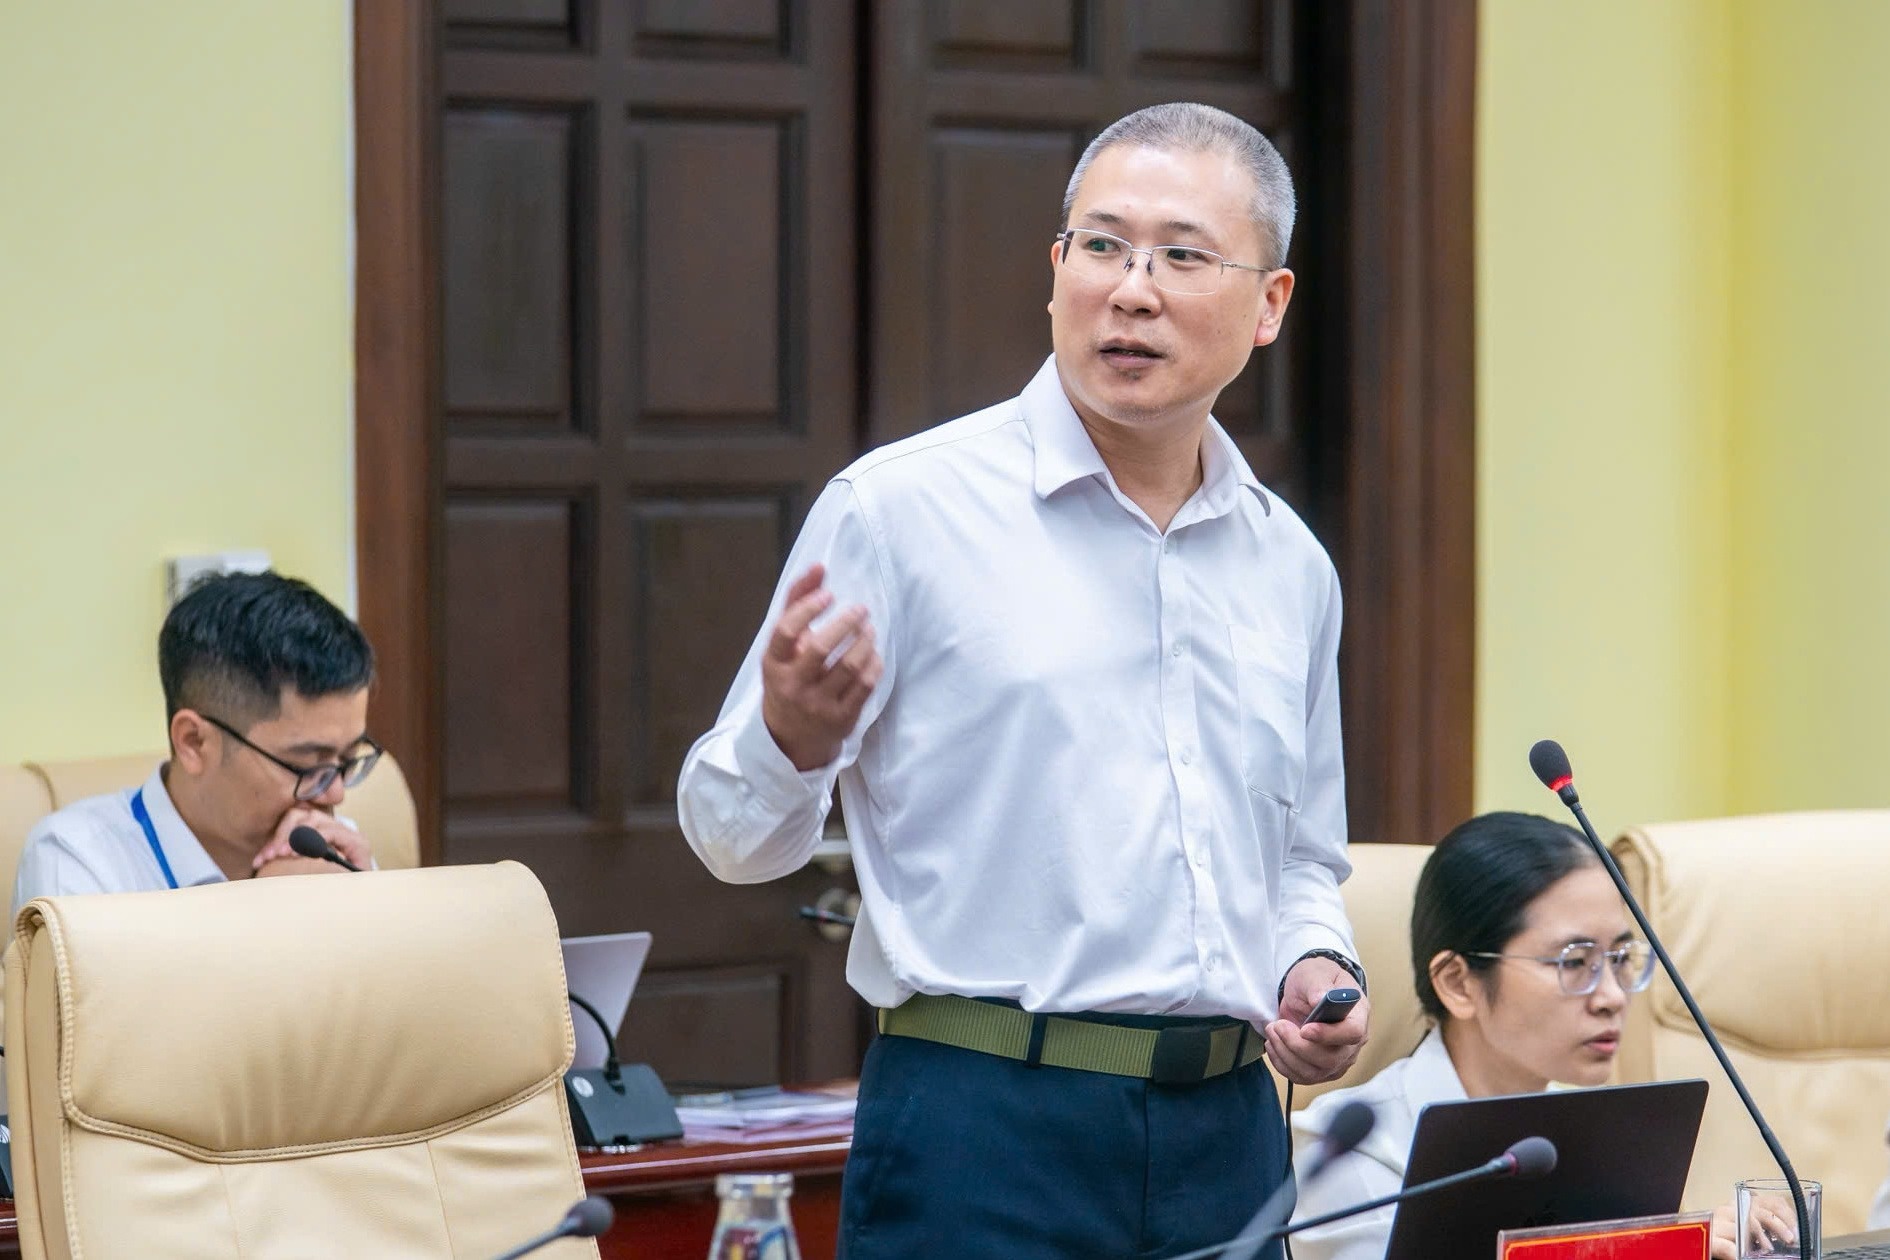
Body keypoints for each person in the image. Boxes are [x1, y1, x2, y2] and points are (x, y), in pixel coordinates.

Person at [678, 102, 1367, 1259]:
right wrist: (791, 740)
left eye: (1182, 255)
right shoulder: (901, 513)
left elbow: (1302, 855)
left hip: (1229, 1136)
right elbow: (731, 841)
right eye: (1101, 246)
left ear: (1269, 305)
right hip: (981, 1129)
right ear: (1056, 273)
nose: (1132, 289)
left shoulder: (1286, 562)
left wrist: (1315, 959)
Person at [1287, 812, 1755, 1260]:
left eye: (1620, 958)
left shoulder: (1602, 1135)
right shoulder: (1350, 1155)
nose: (1612, 997)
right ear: (1457, 982)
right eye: (1574, 962)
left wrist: (1690, 1241)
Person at [12, 571, 381, 914]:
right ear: (194, 742)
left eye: (347, 761)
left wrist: (378, 906)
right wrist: (269, 911)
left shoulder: (329, 851)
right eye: (307, 765)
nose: (335, 795)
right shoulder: (76, 861)